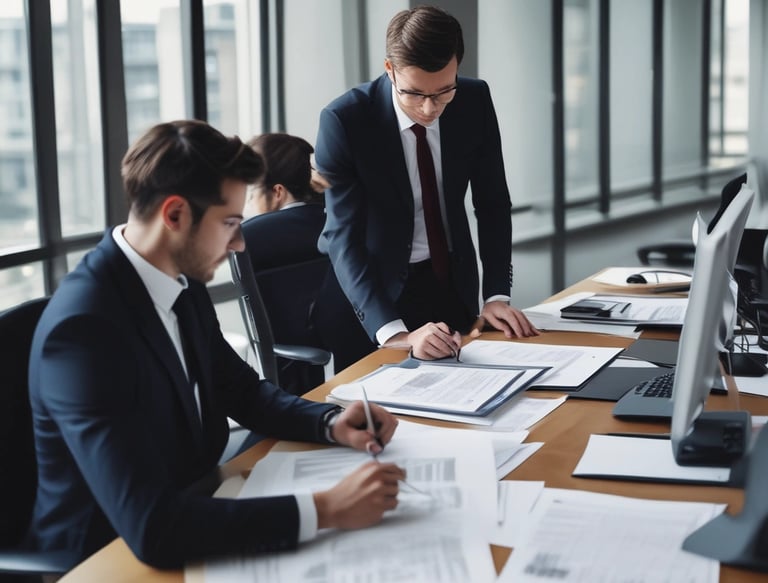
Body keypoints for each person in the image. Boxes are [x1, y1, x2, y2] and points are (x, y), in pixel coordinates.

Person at [27, 120, 403, 570]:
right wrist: (325, 509)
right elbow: (151, 527)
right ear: (174, 215)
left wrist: (330, 421)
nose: (241, 242)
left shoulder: (179, 281)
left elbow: (242, 390)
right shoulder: (83, 331)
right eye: (230, 223)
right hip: (106, 557)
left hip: (201, 502)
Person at [315, 5, 539, 361]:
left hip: (449, 286)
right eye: (415, 93)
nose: (430, 107)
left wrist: (496, 295)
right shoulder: (345, 121)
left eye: (443, 91)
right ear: (390, 69)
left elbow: (493, 202)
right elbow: (342, 236)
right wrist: (395, 333)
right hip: (374, 298)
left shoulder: (474, 100)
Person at [241, 133, 376, 383]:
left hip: (300, 378)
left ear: (278, 191)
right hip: (366, 363)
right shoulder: (345, 221)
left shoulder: (250, 236)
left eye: (251, 194)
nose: (246, 205)